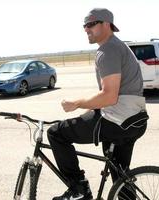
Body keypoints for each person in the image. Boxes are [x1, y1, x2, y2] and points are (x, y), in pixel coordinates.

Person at [47, 8, 148, 200]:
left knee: (56, 133)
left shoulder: (107, 49)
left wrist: (76, 104)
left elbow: (109, 96)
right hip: (135, 119)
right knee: (120, 173)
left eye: (91, 24)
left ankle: (79, 190)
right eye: (84, 25)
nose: (86, 29)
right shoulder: (119, 46)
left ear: (107, 24)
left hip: (117, 119)